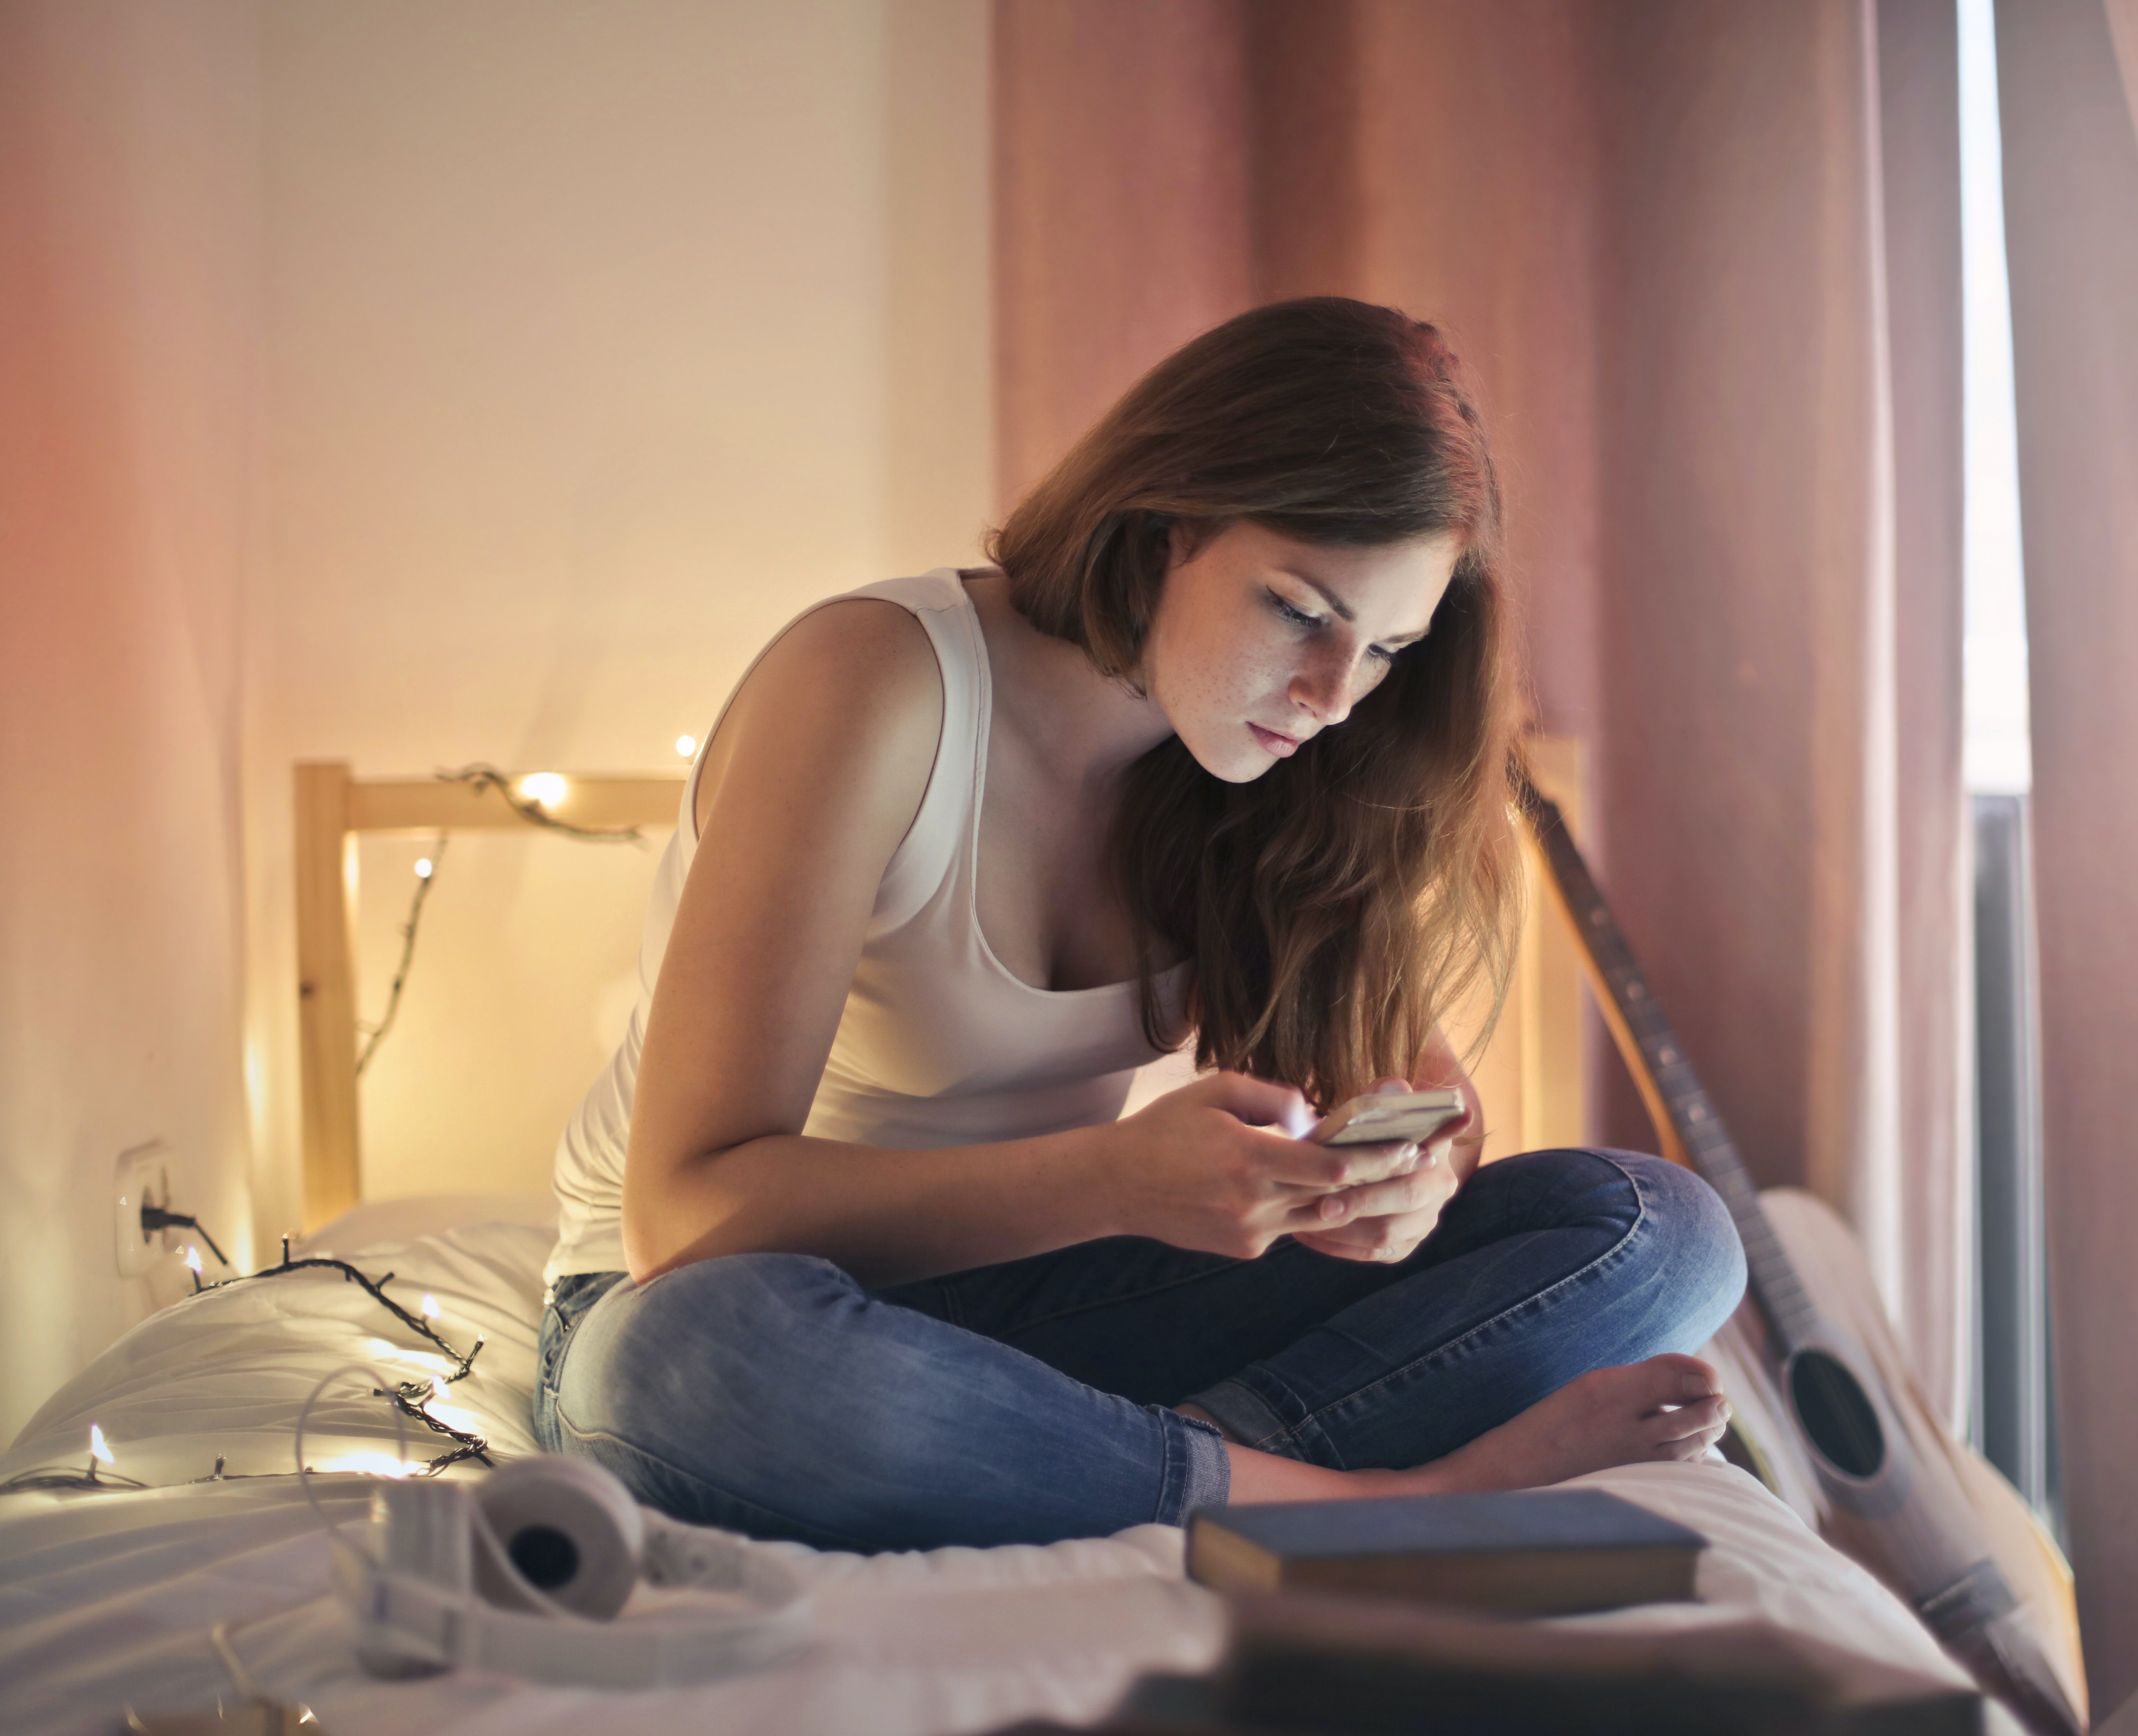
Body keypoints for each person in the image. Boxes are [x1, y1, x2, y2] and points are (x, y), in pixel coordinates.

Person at [533, 298, 1746, 1551]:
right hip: (725, 1304)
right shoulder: (875, 684)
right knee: (683, 1362)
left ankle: (1151, 1460)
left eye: (1386, 648)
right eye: (1297, 610)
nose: (1334, 697)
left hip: (1041, 1319)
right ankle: (1379, 1501)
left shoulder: (1262, 774)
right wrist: (1112, 1180)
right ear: (1163, 523)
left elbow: (1410, 1083)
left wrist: (1404, 1179)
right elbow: (679, 1217)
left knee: (1662, 1231)